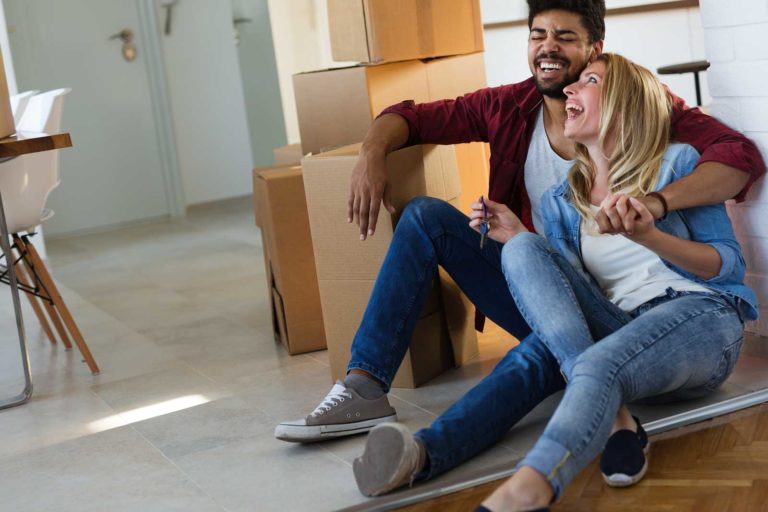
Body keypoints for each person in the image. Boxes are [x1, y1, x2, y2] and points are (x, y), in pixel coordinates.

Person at [276, 0, 764, 484]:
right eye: (538, 35)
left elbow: (739, 158)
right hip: (577, 304)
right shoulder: (533, 151)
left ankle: (445, 450)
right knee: (439, 222)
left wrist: (653, 210)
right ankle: (386, 414)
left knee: (549, 351)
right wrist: (372, 149)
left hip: (662, 310)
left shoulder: (658, 130)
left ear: (597, 51)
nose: (548, 49)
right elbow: (415, 116)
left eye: (566, 39)